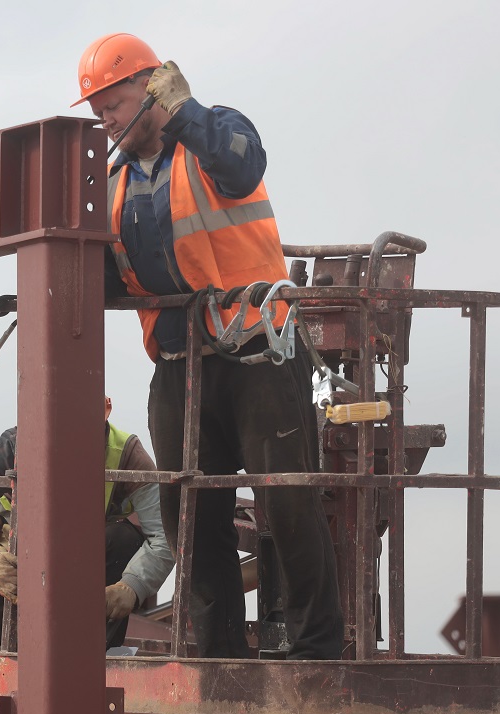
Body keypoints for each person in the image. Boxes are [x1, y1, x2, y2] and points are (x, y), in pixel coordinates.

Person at [73, 33, 344, 660]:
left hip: (257, 350)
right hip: (179, 359)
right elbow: (114, 276)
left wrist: (185, 114)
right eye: (96, 111)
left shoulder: (214, 135)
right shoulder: (112, 185)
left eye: (111, 104)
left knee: (286, 494)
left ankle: (318, 645)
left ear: (148, 87)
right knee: (189, 505)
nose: (104, 120)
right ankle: (216, 645)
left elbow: (245, 164)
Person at [0, 397, 173, 650]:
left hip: (79, 570)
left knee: (124, 541)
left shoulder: (126, 454)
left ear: (106, 408)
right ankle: (4, 645)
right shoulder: (16, 446)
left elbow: (165, 535)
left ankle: (89, 647)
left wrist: (131, 586)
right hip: (16, 563)